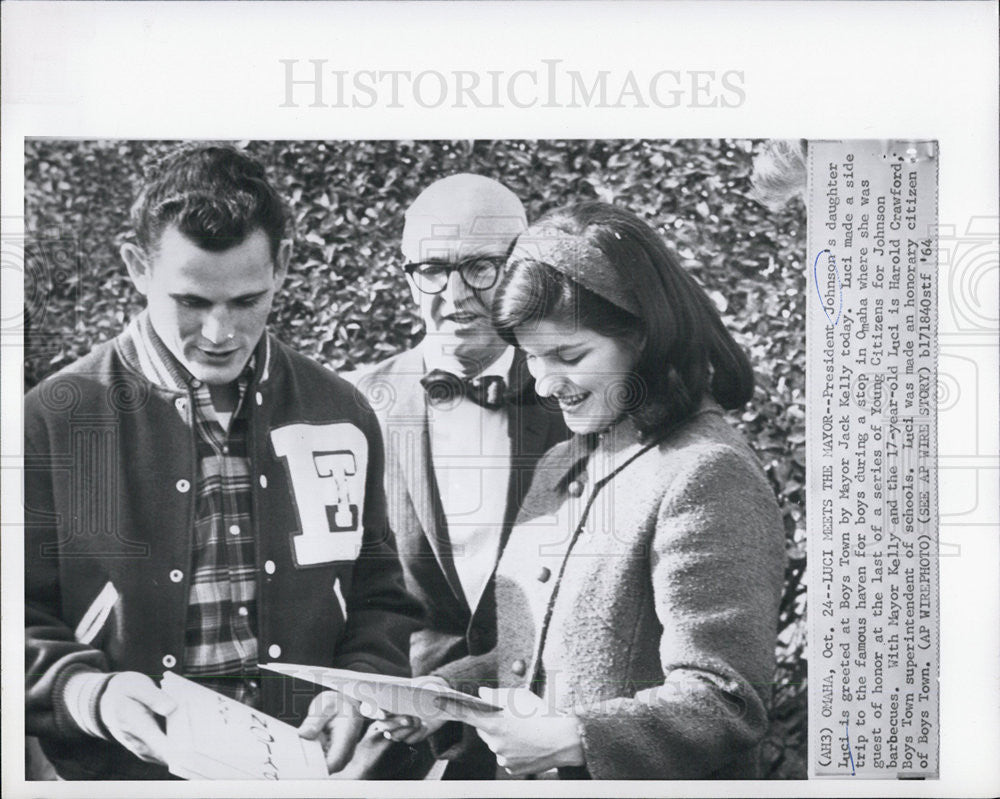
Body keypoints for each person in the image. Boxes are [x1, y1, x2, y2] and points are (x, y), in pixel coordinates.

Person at [24, 145, 420, 780]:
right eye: (190, 301)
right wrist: (89, 695)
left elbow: (379, 595)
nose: (219, 332)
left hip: (308, 768)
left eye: (246, 300)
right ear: (136, 268)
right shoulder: (53, 420)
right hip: (120, 778)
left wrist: (361, 686)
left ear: (284, 266)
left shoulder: (338, 409)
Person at [380, 200, 786, 779]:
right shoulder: (561, 463)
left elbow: (725, 699)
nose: (546, 385)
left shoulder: (707, 471)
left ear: (646, 337)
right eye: (533, 359)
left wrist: (575, 739)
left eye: (569, 356)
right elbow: (529, 656)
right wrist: (440, 693)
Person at [347, 174, 569, 778]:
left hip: (546, 741)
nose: (455, 294)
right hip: (396, 746)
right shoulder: (354, 404)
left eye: (480, 268)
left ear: (522, 268)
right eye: (432, 270)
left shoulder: (576, 396)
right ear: (408, 274)